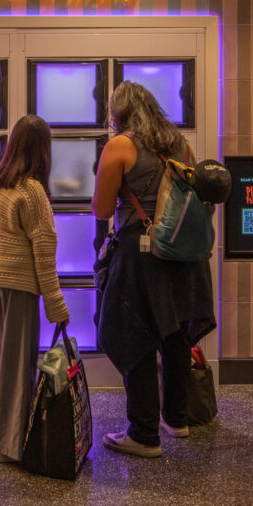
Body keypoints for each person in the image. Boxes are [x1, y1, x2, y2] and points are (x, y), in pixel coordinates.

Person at [92, 81, 216, 458]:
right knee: (176, 335)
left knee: (137, 335)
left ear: (120, 113)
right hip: (185, 257)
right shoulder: (181, 145)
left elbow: (101, 208)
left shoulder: (120, 146)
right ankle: (175, 420)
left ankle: (144, 434)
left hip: (143, 255)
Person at [0, 114, 69, 465]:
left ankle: (12, 438)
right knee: (18, 370)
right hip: (19, 285)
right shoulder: (31, 191)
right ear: (42, 150)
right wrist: (56, 304)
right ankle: (8, 446)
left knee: (9, 364)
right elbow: (44, 252)